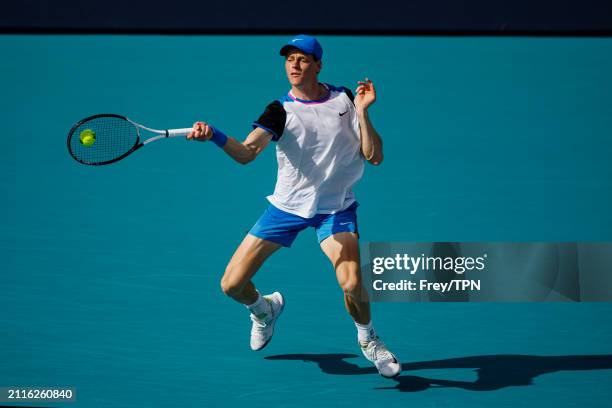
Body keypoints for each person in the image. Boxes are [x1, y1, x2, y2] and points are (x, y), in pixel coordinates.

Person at [187, 34, 400, 378]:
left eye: (303, 59)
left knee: (351, 282)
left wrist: (362, 111)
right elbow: (247, 153)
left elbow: (374, 156)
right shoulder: (279, 111)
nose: (295, 66)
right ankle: (263, 308)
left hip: (335, 210)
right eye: (290, 60)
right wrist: (214, 135)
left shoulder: (345, 98)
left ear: (318, 65)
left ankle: (369, 339)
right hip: (286, 209)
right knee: (231, 285)